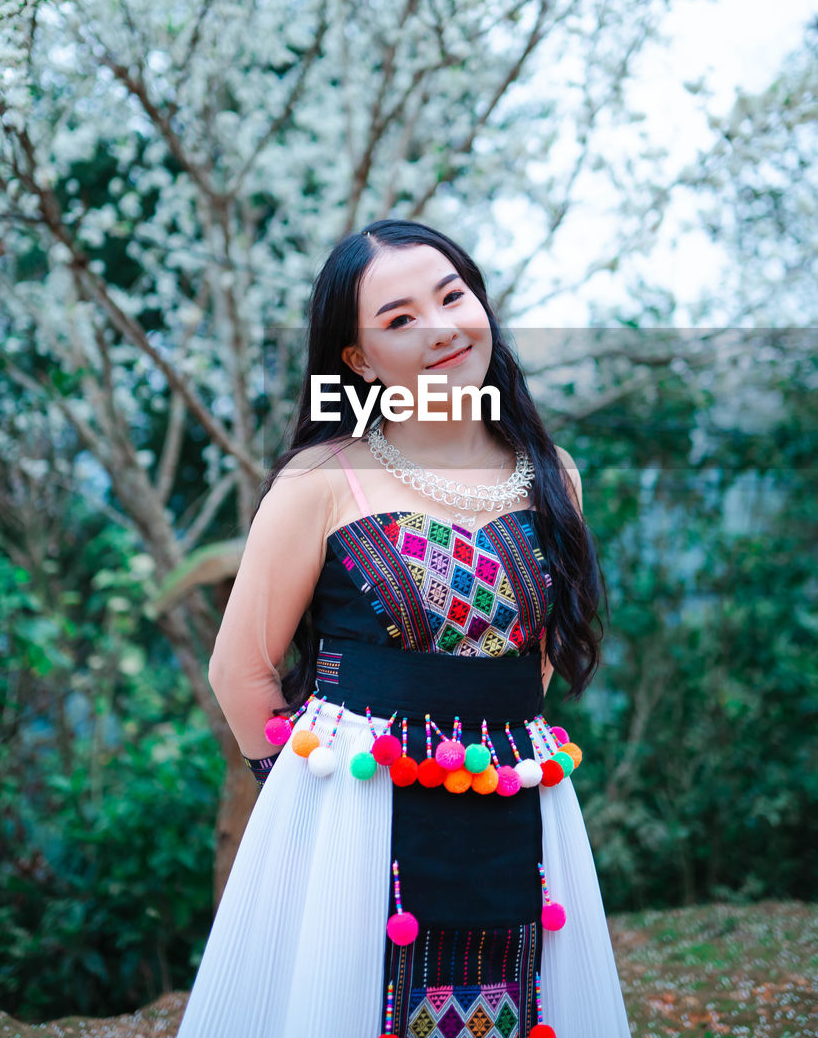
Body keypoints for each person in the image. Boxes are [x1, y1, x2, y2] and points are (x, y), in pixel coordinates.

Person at [175, 219, 631, 1038]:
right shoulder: (322, 478)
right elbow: (239, 670)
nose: (441, 327)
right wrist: (312, 814)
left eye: (451, 295)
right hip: (356, 812)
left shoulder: (552, 472)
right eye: (397, 319)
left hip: (512, 797)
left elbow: (532, 662)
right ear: (356, 359)